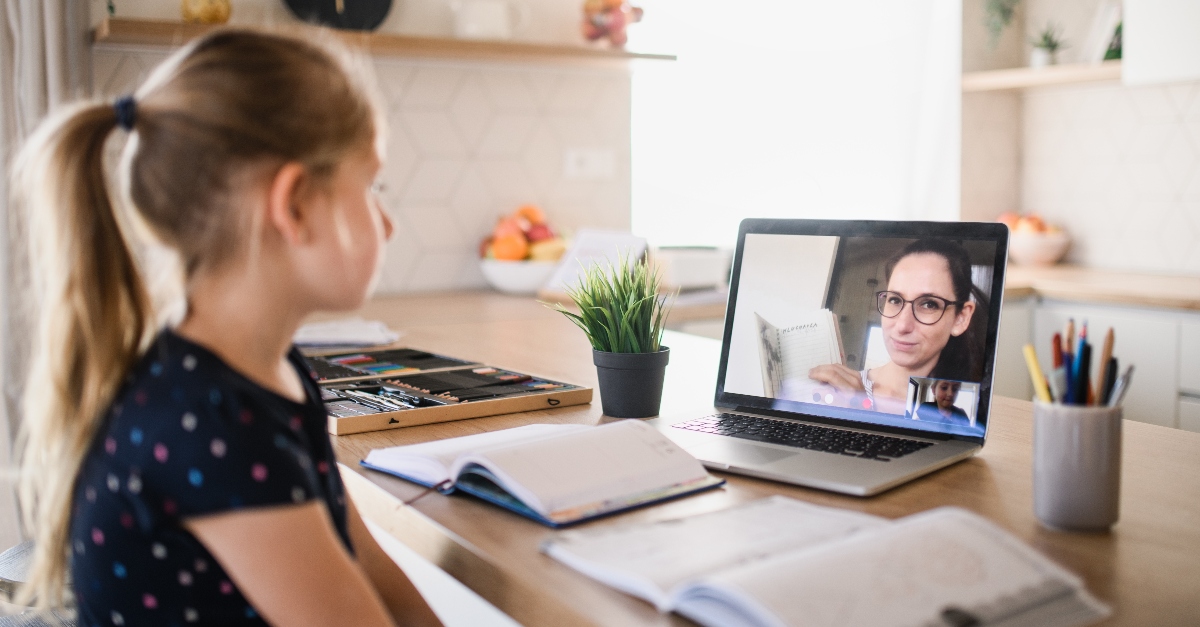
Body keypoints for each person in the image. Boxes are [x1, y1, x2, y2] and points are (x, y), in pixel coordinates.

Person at [12, 29, 442, 626]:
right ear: (292, 205)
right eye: (371, 187)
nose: (387, 224)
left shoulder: (268, 368)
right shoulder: (215, 420)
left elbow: (368, 566)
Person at [809, 239, 988, 413]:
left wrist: (863, 412)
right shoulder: (837, 393)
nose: (902, 325)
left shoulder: (965, 408)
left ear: (961, 318)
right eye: (895, 300)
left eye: (928, 304)